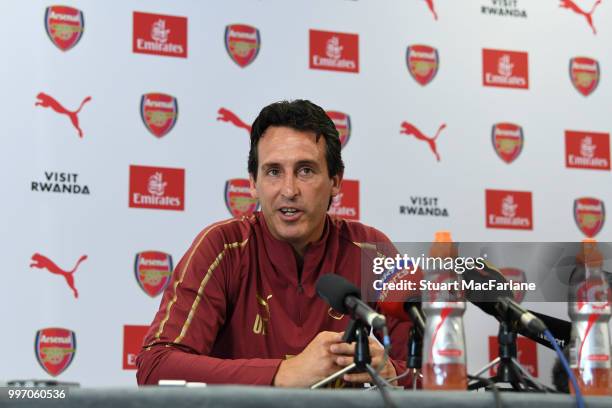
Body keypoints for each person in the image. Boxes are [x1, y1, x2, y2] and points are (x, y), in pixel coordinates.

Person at [136, 100, 411, 387]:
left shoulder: (373, 251)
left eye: (305, 170)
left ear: (335, 181)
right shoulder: (222, 247)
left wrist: (391, 371)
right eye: (273, 171)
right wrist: (283, 373)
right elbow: (155, 367)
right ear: (253, 182)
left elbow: (439, 376)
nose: (289, 190)